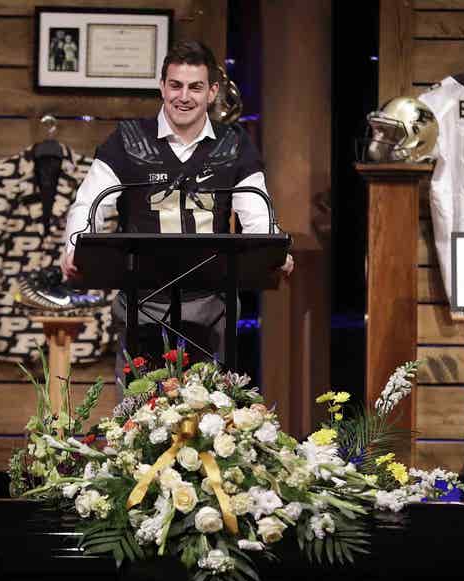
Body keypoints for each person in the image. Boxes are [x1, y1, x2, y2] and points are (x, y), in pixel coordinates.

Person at [60, 39, 293, 373]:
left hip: (212, 304)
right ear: (162, 87)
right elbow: (90, 203)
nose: (184, 97)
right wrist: (74, 249)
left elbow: (256, 211)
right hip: (142, 302)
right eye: (175, 85)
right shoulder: (127, 140)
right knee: (139, 403)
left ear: (212, 92)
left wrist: (272, 251)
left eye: (195, 87)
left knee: (212, 403)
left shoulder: (234, 144)